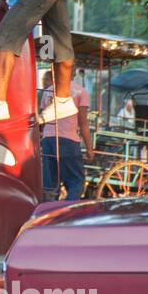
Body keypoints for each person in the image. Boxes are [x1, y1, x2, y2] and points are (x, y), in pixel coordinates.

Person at [39, 69, 92, 201]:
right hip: (68, 140)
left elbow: (42, 119)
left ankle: (48, 215)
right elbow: (83, 123)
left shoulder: (48, 91)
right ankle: (67, 212)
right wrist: (89, 148)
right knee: (76, 181)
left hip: (48, 139)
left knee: (50, 184)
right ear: (73, 73)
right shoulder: (81, 91)